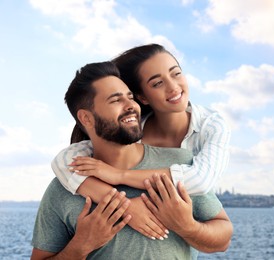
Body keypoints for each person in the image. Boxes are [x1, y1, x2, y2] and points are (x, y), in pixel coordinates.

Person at [31, 61, 233, 259]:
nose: (131, 106)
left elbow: (223, 239)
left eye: (130, 97)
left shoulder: (178, 163)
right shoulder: (61, 189)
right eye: (116, 100)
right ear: (86, 118)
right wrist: (80, 246)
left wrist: (187, 226)